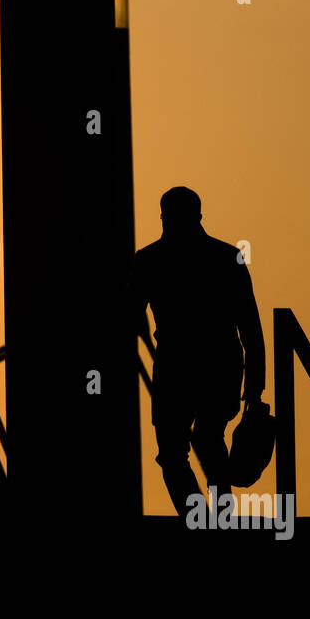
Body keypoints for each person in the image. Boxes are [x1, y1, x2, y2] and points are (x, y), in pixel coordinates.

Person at [129, 186, 265, 515]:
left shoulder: (149, 260)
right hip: (217, 365)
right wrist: (255, 382)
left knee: (178, 452)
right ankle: (214, 519)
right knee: (204, 441)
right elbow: (249, 325)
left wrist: (256, 383)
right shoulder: (225, 257)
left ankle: (201, 522)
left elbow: (131, 315)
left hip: (180, 366)